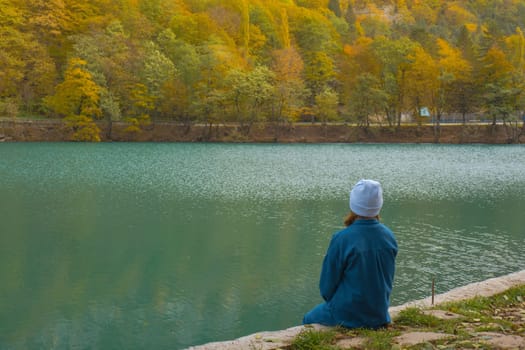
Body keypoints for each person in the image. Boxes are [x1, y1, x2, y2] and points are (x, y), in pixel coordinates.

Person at [303, 179, 398, 329]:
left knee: (308, 318)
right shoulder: (389, 236)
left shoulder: (342, 238)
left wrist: (335, 303)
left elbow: (326, 288)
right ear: (378, 205)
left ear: (353, 204)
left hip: (347, 314)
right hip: (379, 314)